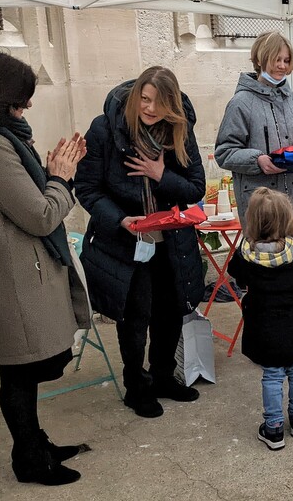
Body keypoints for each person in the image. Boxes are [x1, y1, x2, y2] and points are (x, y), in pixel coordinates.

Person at [0, 48, 90, 486]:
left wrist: (49, 174)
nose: (26, 107)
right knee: (19, 373)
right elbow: (41, 215)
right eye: (19, 99)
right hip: (11, 280)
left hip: (16, 275)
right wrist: (62, 179)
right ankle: (29, 458)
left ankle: (35, 444)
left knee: (25, 371)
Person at [76, 67, 206, 418]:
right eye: (145, 99)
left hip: (171, 240)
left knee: (171, 311)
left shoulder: (180, 129)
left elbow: (196, 187)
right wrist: (120, 219)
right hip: (124, 242)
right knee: (134, 317)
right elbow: (86, 188)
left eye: (159, 103)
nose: (150, 108)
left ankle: (164, 377)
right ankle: (137, 386)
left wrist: (160, 175)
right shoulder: (105, 128)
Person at [227, 188, 293, 450]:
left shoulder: (245, 254)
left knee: (272, 374)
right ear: (287, 219)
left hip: (264, 325)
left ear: (252, 221)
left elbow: (238, 276)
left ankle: (274, 427)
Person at [216, 31, 293, 220]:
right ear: (260, 59)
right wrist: (257, 160)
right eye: (276, 59)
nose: (282, 66)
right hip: (261, 208)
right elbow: (224, 152)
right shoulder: (241, 103)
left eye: (286, 60)